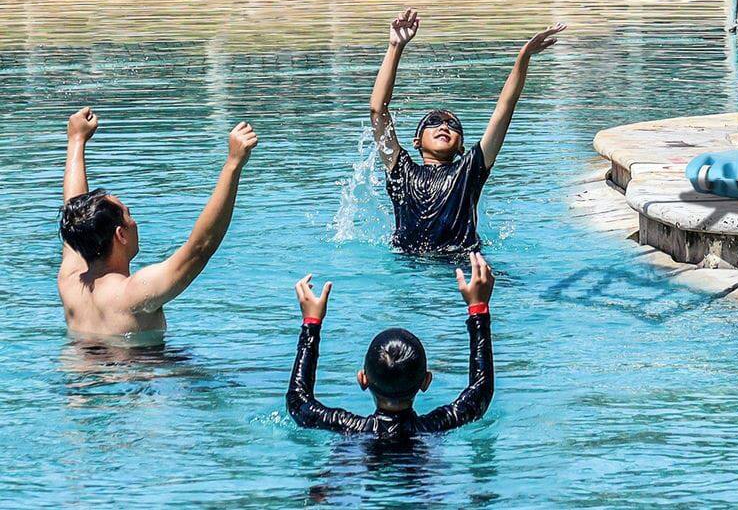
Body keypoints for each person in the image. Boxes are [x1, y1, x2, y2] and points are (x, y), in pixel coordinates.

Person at [369, 8, 565, 253]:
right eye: (434, 121)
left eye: (453, 125)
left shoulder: (470, 169)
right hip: (407, 267)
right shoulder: (400, 170)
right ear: (417, 141)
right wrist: (395, 47)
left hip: (459, 263)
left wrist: (523, 56)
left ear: (461, 147)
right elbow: (378, 111)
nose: (443, 126)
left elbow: (504, 109)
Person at [57, 106, 257, 342]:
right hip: (141, 370)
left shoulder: (71, 281)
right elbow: (200, 248)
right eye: (128, 215)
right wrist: (233, 164)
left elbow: (76, 213)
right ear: (120, 234)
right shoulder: (133, 294)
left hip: (80, 374)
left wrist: (77, 140)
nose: (135, 222)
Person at [286, 252, 494, 437]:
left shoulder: (346, 427)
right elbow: (480, 390)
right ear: (426, 381)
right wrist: (478, 310)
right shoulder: (434, 427)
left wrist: (311, 324)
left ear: (362, 379)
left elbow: (298, 401)